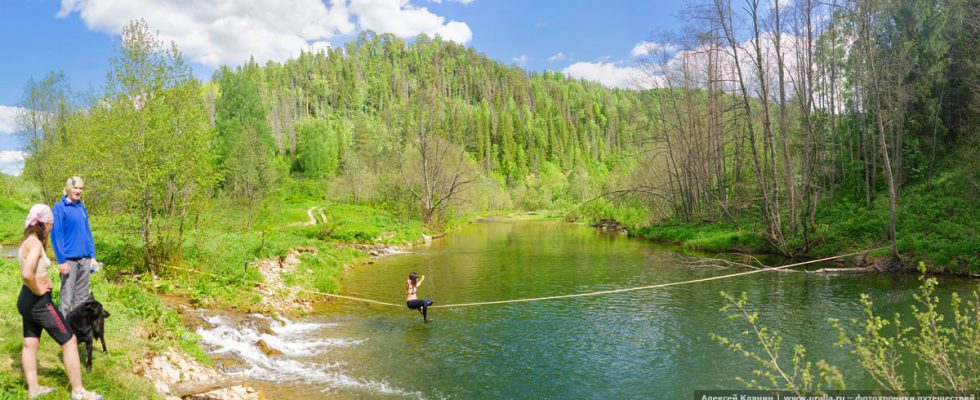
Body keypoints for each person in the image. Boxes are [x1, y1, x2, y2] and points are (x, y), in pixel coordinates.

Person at [18, 204, 102, 400]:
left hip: (25, 301)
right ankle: (78, 392)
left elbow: (31, 271)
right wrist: (38, 288)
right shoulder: (36, 244)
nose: (51, 228)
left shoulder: (26, 240)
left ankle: (33, 390)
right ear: (45, 223)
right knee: (70, 341)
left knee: (30, 343)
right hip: (39, 303)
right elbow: (27, 273)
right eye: (51, 225)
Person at [51, 176, 97, 317]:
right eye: (75, 188)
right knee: (66, 298)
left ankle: (78, 331)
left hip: (85, 259)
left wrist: (93, 256)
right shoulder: (59, 208)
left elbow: (87, 233)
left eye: (80, 188)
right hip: (69, 261)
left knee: (82, 299)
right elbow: (56, 235)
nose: (78, 191)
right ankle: (63, 333)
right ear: (68, 189)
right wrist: (62, 261)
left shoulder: (81, 208)